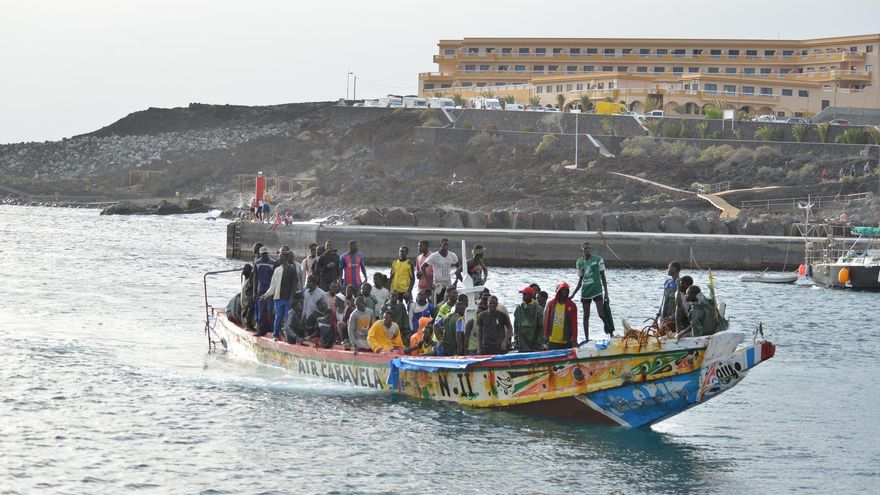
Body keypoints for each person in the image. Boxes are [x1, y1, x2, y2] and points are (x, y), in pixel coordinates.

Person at [259, 251, 301, 340]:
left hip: (288, 299)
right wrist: (265, 295)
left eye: (281, 257)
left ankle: (287, 336)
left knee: (287, 318)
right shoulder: (277, 270)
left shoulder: (292, 270)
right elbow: (273, 286)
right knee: (278, 317)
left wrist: (292, 298)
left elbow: (294, 286)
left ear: (285, 258)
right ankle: (275, 335)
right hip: (278, 299)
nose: (279, 259)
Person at [571, 242, 609, 341]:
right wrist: (573, 294)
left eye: (589, 248)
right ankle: (587, 339)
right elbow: (580, 280)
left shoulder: (598, 259)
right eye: (585, 248)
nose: (587, 250)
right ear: (582, 250)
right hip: (586, 291)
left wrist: (606, 293)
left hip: (596, 290)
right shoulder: (579, 262)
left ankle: (610, 332)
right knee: (586, 316)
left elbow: (603, 276)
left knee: (601, 314)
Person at [544, 282, 579, 349]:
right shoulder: (552, 304)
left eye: (566, 290)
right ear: (559, 291)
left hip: (566, 339)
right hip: (553, 339)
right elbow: (547, 320)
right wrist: (546, 335)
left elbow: (574, 323)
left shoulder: (572, 305)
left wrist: (574, 338)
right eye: (562, 290)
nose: (564, 292)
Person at [253, 246, 276, 336]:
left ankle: (273, 330)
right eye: (262, 254)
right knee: (261, 310)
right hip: (261, 289)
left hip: (269, 289)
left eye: (265, 254)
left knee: (270, 310)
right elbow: (255, 277)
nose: (264, 255)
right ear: (260, 254)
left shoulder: (273, 263)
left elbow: (274, 278)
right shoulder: (257, 262)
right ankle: (260, 329)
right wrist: (254, 291)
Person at [514, 286, 544, 352]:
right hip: (521, 343)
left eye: (525, 294)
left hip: (533, 343)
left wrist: (539, 342)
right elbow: (515, 325)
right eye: (523, 295)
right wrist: (516, 338)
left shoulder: (538, 309)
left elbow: (541, 327)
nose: (523, 296)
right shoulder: (519, 308)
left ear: (530, 296)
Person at [240, 264, 255, 330]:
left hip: (246, 302)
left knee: (246, 314)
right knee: (245, 314)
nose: (244, 271)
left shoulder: (248, 280)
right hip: (244, 302)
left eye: (245, 269)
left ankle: (248, 325)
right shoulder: (246, 279)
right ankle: (247, 325)